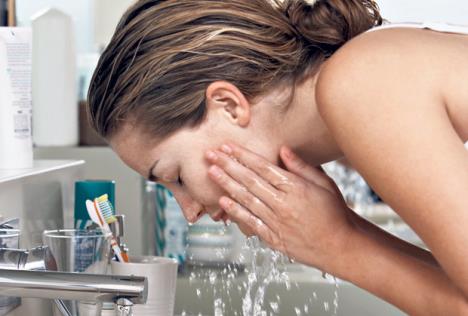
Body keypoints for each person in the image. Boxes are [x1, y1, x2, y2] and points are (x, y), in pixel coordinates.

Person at [87, 0, 468, 314]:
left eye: (178, 177)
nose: (189, 211)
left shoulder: (361, 85)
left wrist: (340, 244)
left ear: (228, 105)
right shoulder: (360, 85)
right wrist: (343, 233)